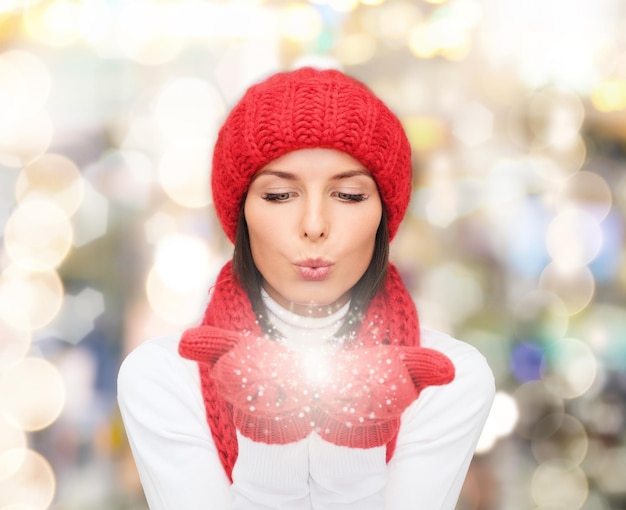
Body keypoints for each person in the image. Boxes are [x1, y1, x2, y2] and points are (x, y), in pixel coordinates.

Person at [117, 67, 495, 510]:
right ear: (240, 215)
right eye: (279, 196)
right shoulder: (162, 377)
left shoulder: (447, 380)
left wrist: (355, 438)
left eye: (349, 195)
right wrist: (269, 439)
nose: (314, 226)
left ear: (383, 217)